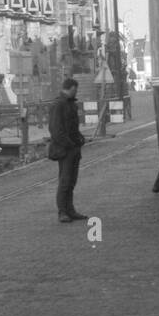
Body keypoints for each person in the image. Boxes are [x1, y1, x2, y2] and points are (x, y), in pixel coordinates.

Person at [48, 77, 86, 222]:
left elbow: (72, 128)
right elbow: (56, 129)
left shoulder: (69, 104)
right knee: (65, 181)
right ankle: (63, 212)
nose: (76, 93)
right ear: (71, 88)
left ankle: (70, 210)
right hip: (65, 150)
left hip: (73, 148)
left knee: (71, 181)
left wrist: (79, 139)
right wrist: (70, 144)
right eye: (75, 90)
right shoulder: (59, 105)